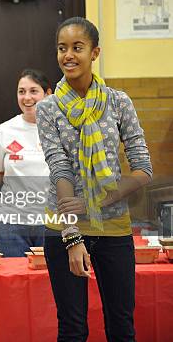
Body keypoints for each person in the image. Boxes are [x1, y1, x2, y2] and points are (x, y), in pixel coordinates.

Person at [35, 17, 152, 341]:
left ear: (95, 52)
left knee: (121, 326)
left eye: (77, 47)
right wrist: (73, 235)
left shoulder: (118, 102)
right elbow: (59, 166)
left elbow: (143, 169)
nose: (68, 55)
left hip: (113, 227)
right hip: (63, 229)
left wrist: (94, 201)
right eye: (62, 48)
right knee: (73, 329)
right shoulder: (49, 108)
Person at [0, 69, 52, 256]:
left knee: (50, 283)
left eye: (33, 91)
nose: (27, 97)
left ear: (48, 94)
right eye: (21, 91)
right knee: (15, 282)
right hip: (12, 225)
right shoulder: (3, 131)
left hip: (52, 224)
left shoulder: (61, 130)